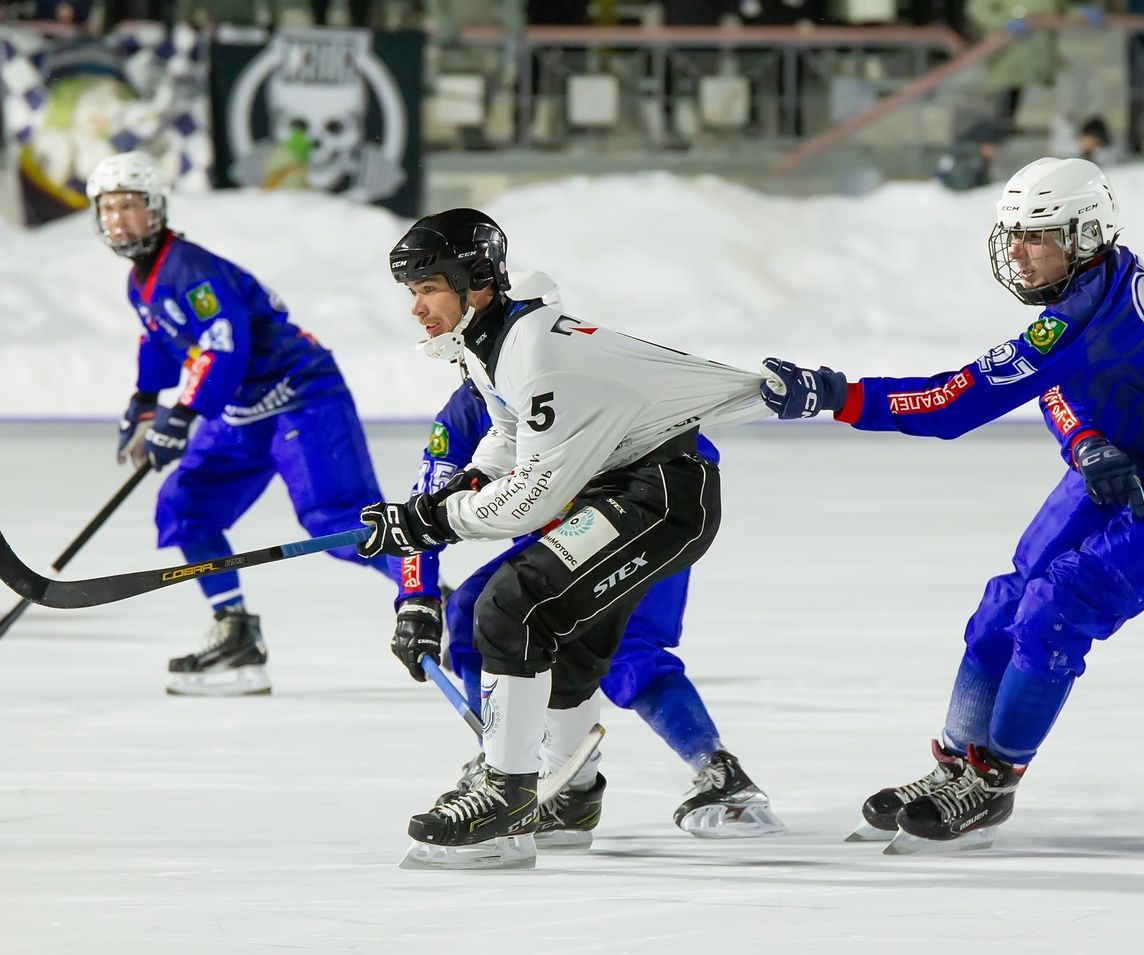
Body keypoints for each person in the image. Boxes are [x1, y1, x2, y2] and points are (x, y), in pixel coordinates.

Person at [758, 157, 1144, 849]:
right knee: (1008, 600)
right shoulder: (1100, 286)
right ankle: (959, 765)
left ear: (1085, 236)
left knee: (1060, 606)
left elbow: (954, 403)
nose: (1019, 254)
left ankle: (993, 782)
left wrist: (838, 395)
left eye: (1037, 237)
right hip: (1138, 458)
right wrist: (1086, 439)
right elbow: (1059, 383)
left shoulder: (1087, 319)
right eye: (1015, 235)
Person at [357, 208, 771, 869]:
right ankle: (559, 787)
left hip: (650, 498)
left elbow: (528, 495)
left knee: (521, 609)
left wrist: (439, 517)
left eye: (428, 288)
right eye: (413, 291)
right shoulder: (485, 359)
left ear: (476, 283)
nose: (416, 308)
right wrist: (416, 589)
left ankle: (511, 790)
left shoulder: (533, 354)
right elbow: (461, 478)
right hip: (615, 502)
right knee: (533, 626)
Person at [394, 373, 783, 845]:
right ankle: (503, 767)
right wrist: (416, 599)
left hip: (647, 512)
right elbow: (423, 505)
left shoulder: (560, 369)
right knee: (475, 611)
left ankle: (719, 770)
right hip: (564, 531)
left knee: (625, 643)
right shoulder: (466, 411)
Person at [87, 151, 397, 697]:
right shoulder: (142, 281)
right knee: (186, 507)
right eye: (108, 209)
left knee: (339, 521)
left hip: (301, 397)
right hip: (242, 409)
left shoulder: (190, 270)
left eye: (129, 206)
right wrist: (145, 399)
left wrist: (181, 415)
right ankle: (235, 635)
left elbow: (223, 345)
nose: (118, 220)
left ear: (155, 209)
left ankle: (435, 602)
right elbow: (161, 339)